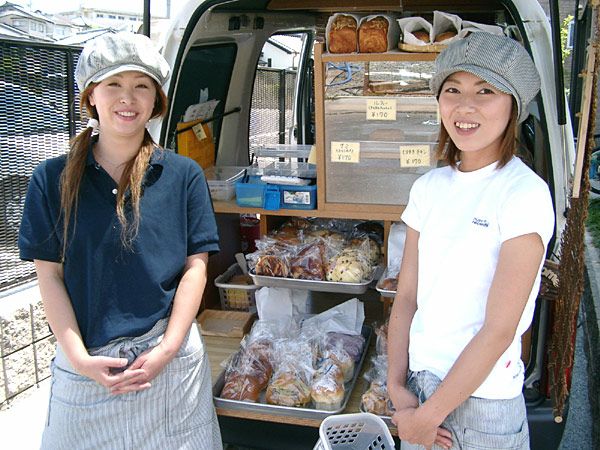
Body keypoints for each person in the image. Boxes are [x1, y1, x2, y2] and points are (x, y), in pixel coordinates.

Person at [18, 32, 222, 449]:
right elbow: (50, 277)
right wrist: (78, 358)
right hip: (88, 364)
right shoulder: (51, 179)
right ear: (92, 95)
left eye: (141, 86)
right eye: (114, 84)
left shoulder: (183, 175)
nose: (127, 99)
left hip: (169, 361)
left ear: (155, 100)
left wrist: (167, 349)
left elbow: (195, 268)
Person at [386, 32, 555, 450]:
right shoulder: (428, 187)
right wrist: (395, 386)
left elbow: (499, 329)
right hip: (419, 389)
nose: (466, 107)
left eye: (485, 91)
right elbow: (407, 296)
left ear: (513, 103)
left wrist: (428, 415)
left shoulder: (523, 193)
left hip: (482, 407)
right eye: (453, 90)